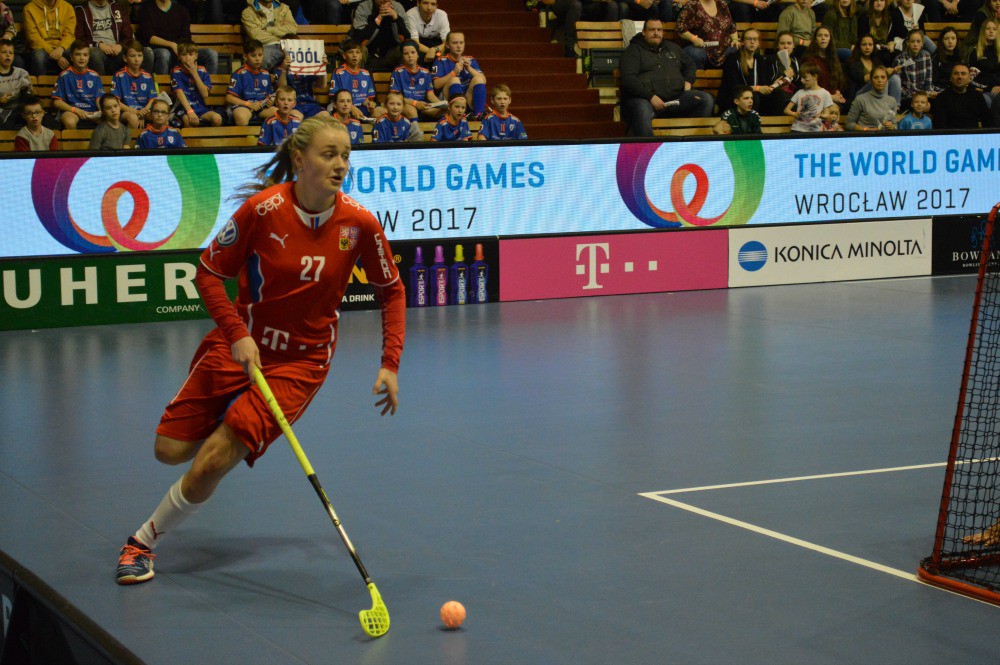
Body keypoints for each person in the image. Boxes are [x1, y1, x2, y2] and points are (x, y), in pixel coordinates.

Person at [114, 115, 405, 586]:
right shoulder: (262, 210)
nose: (340, 165)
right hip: (240, 346)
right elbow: (208, 272)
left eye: (346, 156)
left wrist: (389, 363)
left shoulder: (359, 223)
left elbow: (391, 290)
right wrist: (236, 333)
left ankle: (141, 543)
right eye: (329, 154)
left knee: (212, 461)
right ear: (299, 159)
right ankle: (223, 427)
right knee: (169, 451)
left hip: (301, 363)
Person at [619, 19, 714, 137]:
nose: (656, 33)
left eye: (659, 30)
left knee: (705, 99)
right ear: (644, 32)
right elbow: (628, 79)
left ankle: (690, 140)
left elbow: (690, 64)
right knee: (642, 108)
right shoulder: (633, 51)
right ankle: (648, 147)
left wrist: (688, 81)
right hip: (646, 100)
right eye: (652, 30)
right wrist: (650, 97)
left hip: (676, 98)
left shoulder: (672, 47)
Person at [136, 0, 219, 76]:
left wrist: (185, 52)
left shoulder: (181, 10)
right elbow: (149, 37)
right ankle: (163, 86)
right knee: (164, 54)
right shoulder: (145, 10)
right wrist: (171, 45)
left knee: (211, 54)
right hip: (158, 49)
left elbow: (186, 37)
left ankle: (205, 86)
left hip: (180, 49)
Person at [74, 0, 147, 75]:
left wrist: (120, 45)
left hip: (117, 48)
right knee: (95, 54)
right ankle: (99, 82)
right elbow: (80, 38)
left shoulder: (117, 8)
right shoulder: (81, 10)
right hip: (96, 48)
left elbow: (128, 35)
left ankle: (142, 81)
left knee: (147, 52)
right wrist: (98, 45)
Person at [431, 31, 488, 120]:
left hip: (467, 98)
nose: (459, 46)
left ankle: (478, 115)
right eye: (455, 43)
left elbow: (483, 80)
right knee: (455, 79)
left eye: (461, 43)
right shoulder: (440, 61)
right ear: (447, 45)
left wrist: (469, 68)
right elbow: (436, 85)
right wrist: (454, 72)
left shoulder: (470, 60)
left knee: (478, 79)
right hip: (448, 99)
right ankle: (458, 114)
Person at [718, 28, 773, 114]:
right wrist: (756, 88)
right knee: (753, 96)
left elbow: (764, 83)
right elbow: (734, 86)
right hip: (734, 97)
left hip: (755, 96)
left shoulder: (761, 60)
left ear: (758, 43)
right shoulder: (732, 59)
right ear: (742, 42)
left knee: (777, 95)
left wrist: (774, 85)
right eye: (748, 39)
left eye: (755, 39)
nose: (752, 42)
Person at [52, 40, 104, 129]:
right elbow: (57, 102)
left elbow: (99, 99)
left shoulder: (95, 76)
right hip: (71, 111)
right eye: (78, 54)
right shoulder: (64, 76)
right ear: (71, 57)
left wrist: (101, 111)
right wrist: (76, 110)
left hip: (92, 111)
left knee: (107, 119)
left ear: (89, 58)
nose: (82, 58)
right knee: (70, 121)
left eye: (85, 55)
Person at [172, 39, 223, 128]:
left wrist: (194, 73)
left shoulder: (202, 70)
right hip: (183, 108)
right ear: (179, 57)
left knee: (217, 119)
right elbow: (179, 92)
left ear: (196, 56)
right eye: (184, 55)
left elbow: (205, 94)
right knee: (188, 121)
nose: (187, 58)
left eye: (191, 54)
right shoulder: (176, 71)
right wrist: (190, 111)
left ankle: (209, 137)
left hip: (200, 107)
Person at [676, 0, 738, 70]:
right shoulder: (692, 5)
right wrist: (693, 39)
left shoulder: (722, 4)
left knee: (737, 49)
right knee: (696, 53)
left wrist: (735, 39)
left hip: (723, 49)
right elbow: (680, 29)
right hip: (701, 48)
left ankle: (729, 77)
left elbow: (731, 27)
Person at [227, 39, 277, 126]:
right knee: (241, 117)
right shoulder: (239, 74)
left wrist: (271, 101)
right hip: (244, 106)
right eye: (253, 55)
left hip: (262, 107)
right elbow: (229, 98)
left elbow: (271, 95)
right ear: (245, 57)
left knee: (279, 113)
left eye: (260, 55)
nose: (257, 59)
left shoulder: (266, 74)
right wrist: (249, 104)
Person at [112, 39, 160, 130]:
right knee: (133, 118)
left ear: (143, 57)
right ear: (125, 58)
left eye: (139, 55)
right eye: (133, 56)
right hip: (126, 112)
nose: (137, 59)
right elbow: (116, 102)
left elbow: (152, 99)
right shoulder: (119, 76)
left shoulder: (148, 76)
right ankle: (131, 140)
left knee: (161, 116)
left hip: (145, 111)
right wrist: (136, 112)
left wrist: (143, 112)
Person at [328, 38, 382, 119]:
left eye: (357, 52)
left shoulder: (366, 74)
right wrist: (352, 108)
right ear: (344, 55)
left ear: (361, 55)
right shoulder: (338, 72)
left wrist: (369, 104)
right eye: (350, 52)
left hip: (362, 108)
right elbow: (335, 99)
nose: (354, 55)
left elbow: (366, 98)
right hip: (344, 107)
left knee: (382, 112)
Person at [391, 40, 443, 120]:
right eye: (406, 53)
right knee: (412, 111)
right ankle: (415, 128)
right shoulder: (398, 71)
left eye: (413, 52)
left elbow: (430, 95)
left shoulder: (425, 72)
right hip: (406, 104)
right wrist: (415, 103)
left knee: (444, 111)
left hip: (423, 105)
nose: (410, 56)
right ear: (402, 56)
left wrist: (441, 104)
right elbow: (395, 96)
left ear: (418, 54)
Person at [351, 0, 408, 72]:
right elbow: (359, 39)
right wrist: (378, 18)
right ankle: (357, 77)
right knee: (359, 49)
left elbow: (406, 39)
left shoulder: (398, 7)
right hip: (369, 55)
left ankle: (404, 78)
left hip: (390, 55)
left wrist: (396, 18)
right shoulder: (363, 7)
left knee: (406, 48)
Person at [550, 0, 622, 57]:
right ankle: (569, 46)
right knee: (576, 5)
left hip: (588, 4)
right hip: (564, 2)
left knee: (612, 6)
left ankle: (608, 46)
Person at [241, 0, 297, 73]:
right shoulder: (248, 13)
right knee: (261, 59)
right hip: (263, 46)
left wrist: (268, 29)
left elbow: (292, 29)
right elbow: (256, 36)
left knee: (301, 57)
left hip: (286, 45)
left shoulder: (284, 8)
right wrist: (281, 37)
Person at [24, 0, 76, 76]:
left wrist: (61, 48)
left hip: (62, 47)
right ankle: (39, 83)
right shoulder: (29, 8)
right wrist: (56, 55)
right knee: (39, 56)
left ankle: (75, 83)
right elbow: (33, 38)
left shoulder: (68, 8)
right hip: (41, 48)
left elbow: (69, 34)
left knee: (76, 54)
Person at [785, 62, 840, 130]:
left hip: (814, 130)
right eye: (801, 77)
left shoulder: (825, 93)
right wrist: (794, 113)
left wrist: (821, 115)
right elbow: (786, 110)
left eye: (805, 78)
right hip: (797, 129)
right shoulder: (799, 93)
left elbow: (826, 114)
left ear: (815, 77)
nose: (802, 80)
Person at [932, 62, 991, 127]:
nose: (959, 77)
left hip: (973, 133)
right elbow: (939, 126)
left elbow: (988, 122)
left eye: (963, 74)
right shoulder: (941, 98)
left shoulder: (977, 96)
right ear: (950, 78)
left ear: (969, 78)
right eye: (956, 74)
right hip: (950, 133)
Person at [801, 26, 848, 106]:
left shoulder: (833, 57)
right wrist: (831, 97)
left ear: (830, 39)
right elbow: (810, 87)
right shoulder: (809, 59)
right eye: (820, 35)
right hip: (816, 100)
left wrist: (837, 92)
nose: (823, 38)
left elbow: (838, 80)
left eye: (826, 36)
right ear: (815, 40)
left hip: (832, 98)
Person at [844, 64, 898, 129]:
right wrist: (866, 130)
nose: (879, 80)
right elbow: (849, 123)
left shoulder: (892, 101)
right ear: (871, 80)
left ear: (887, 80)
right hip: (865, 134)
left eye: (883, 77)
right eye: (876, 77)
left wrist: (892, 127)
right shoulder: (860, 99)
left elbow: (894, 125)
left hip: (884, 135)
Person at [277, 53, 330, 120]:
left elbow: (322, 85)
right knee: (295, 118)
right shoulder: (283, 66)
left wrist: (323, 67)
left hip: (311, 103)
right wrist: (284, 70)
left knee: (325, 115)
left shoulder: (310, 65)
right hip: (293, 104)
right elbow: (282, 88)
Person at [762, 30, 801, 115]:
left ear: (793, 45)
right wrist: (784, 75)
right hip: (775, 96)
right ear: (777, 45)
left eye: (789, 43)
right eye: (782, 43)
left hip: (793, 98)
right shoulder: (770, 61)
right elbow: (767, 83)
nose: (786, 46)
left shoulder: (797, 62)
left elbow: (800, 84)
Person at [968, 18, 1000, 120]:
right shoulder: (976, 52)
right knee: (987, 100)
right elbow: (971, 80)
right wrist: (989, 89)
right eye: (988, 28)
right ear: (983, 31)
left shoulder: (999, 52)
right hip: (984, 91)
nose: (991, 31)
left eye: (994, 29)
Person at [858, 0, 907, 67]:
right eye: (876, 0)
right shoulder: (864, 17)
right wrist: (877, 46)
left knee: (901, 56)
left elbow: (904, 33)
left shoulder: (892, 15)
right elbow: (862, 38)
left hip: (887, 48)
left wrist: (893, 42)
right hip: (871, 49)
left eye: (882, 0)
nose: (879, 3)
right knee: (885, 56)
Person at [894, 29, 932, 110]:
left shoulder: (927, 57)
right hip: (907, 97)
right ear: (908, 43)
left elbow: (928, 82)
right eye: (912, 41)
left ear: (922, 43)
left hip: (923, 96)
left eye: (918, 41)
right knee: (917, 104)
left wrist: (926, 95)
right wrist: (914, 95)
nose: (915, 44)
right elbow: (898, 85)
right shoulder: (900, 59)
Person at [0, 39, 32, 129]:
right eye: (3, 52)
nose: (8, 55)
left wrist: (21, 93)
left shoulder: (22, 73)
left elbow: (28, 95)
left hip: (18, 110)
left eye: (11, 53)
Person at [405, 0, 449, 64]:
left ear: (436, 6)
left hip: (436, 43)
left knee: (450, 49)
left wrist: (434, 50)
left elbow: (447, 42)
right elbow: (415, 43)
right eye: (425, 3)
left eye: (433, 4)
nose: (429, 8)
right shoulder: (410, 14)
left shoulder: (442, 15)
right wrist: (432, 52)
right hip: (419, 43)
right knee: (413, 52)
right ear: (418, 3)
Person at [930, 25, 964, 95]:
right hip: (941, 93)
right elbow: (933, 82)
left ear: (957, 40)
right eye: (946, 39)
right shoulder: (936, 58)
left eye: (953, 38)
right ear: (942, 41)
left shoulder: (961, 58)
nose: (950, 41)